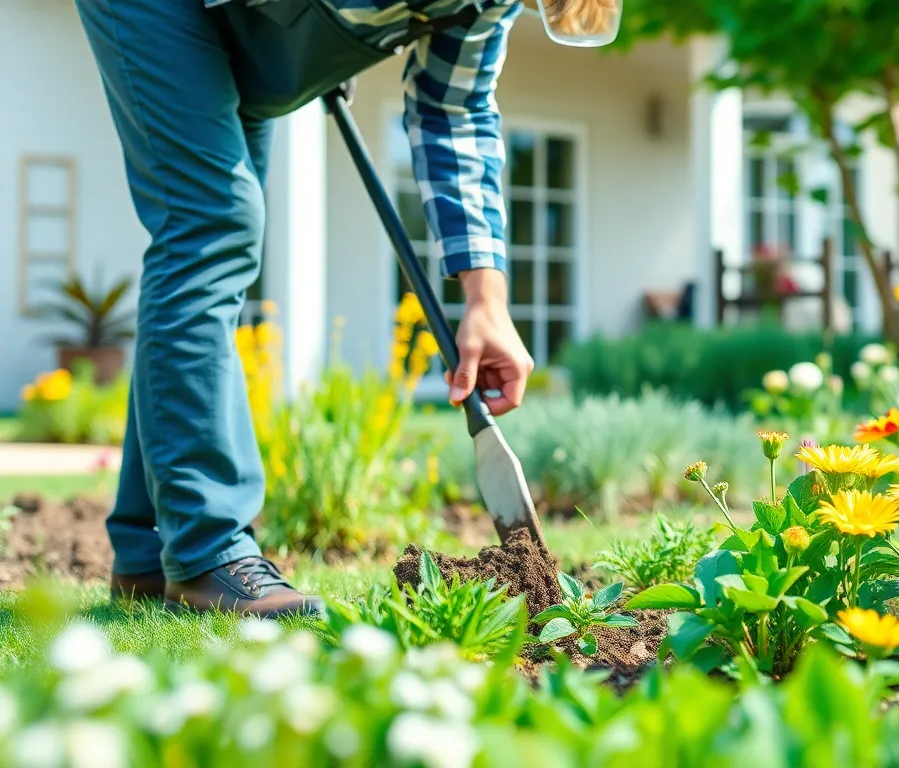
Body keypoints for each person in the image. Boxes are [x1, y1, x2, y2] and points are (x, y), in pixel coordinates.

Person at [73, 0, 614, 617]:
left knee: (216, 245)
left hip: (247, 30)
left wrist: (485, 296)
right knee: (212, 225)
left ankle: (146, 552)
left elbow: (454, 110)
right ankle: (209, 551)